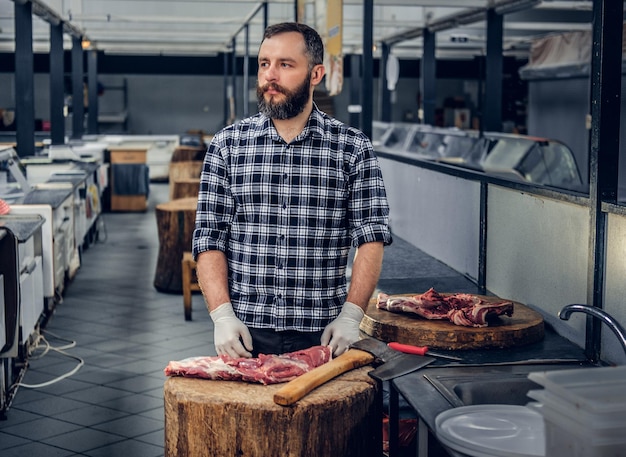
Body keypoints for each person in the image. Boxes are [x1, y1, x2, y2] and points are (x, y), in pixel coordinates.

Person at [192, 22, 392, 359]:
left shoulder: (351, 148)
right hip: (245, 333)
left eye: (285, 65)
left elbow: (370, 237)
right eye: (265, 63)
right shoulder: (228, 146)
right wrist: (222, 315)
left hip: (325, 332)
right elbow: (210, 237)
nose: (271, 75)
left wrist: (351, 315)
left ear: (316, 75)